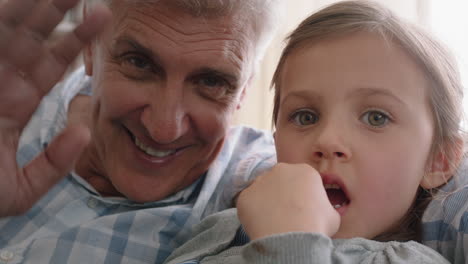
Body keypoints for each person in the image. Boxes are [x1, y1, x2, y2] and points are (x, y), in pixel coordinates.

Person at [162, 1, 466, 263]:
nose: (327, 141)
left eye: (376, 118)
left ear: (437, 160)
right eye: (305, 116)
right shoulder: (220, 229)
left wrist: (289, 242)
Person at [0, 0, 282, 263]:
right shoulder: (11, 111)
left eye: (212, 82)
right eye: (139, 63)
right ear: (90, 45)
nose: (164, 129)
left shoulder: (255, 176)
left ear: (244, 88)